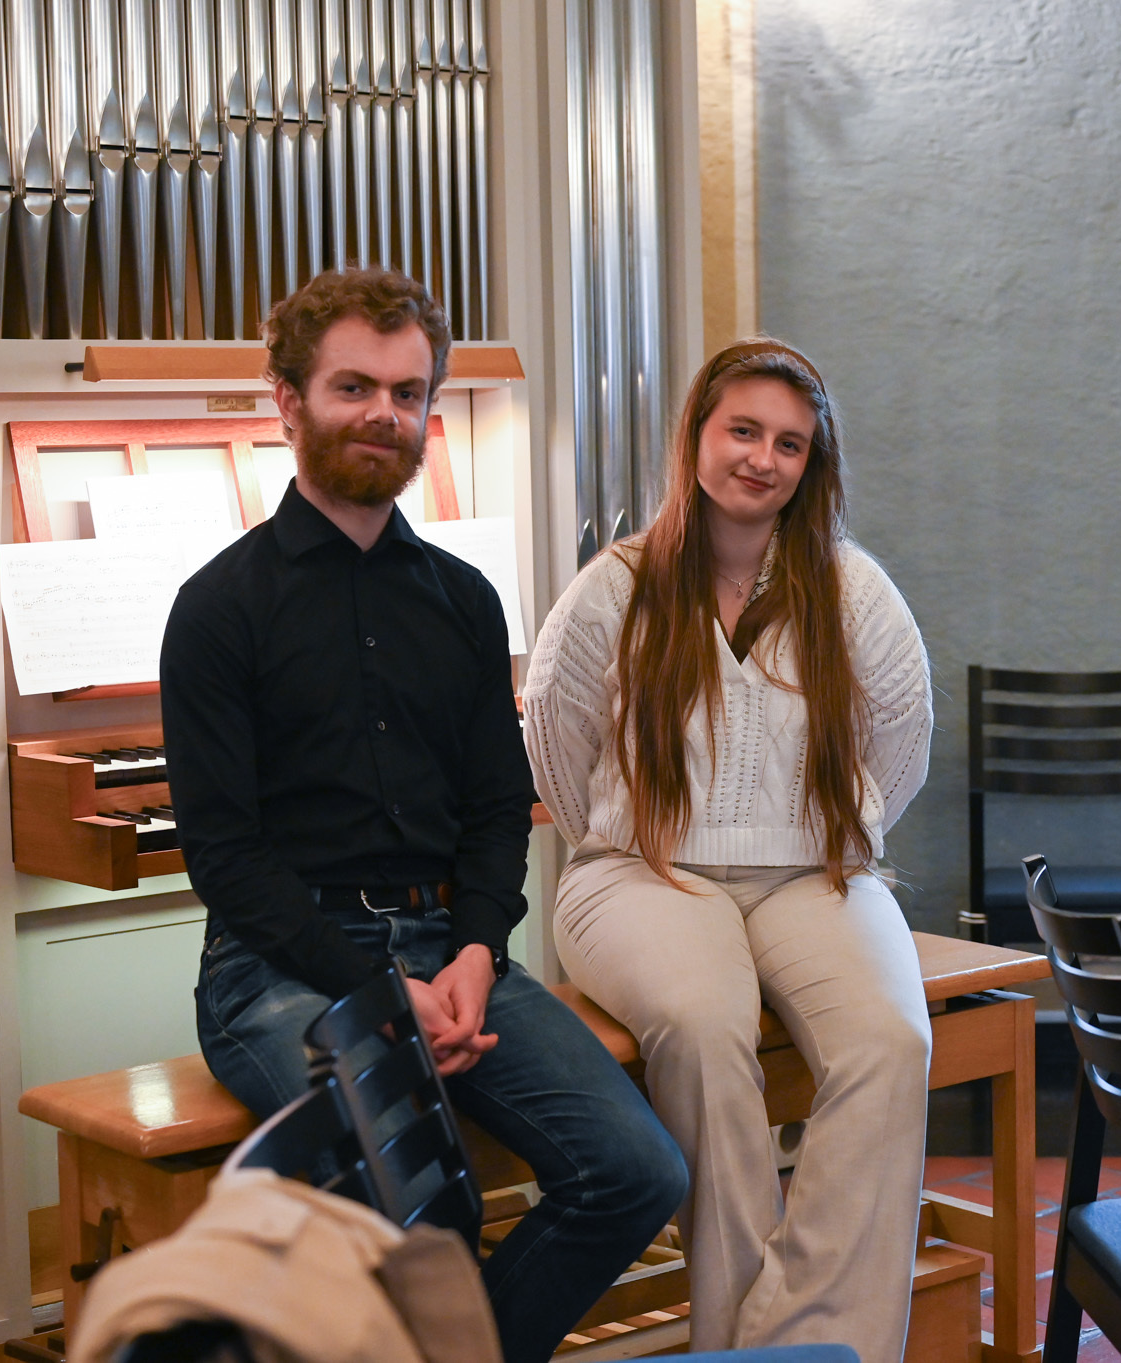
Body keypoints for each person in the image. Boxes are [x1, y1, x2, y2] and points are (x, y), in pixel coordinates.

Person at [160, 268, 688, 1363]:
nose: (383, 414)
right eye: (354, 386)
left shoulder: (461, 598)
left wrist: (477, 950)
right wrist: (375, 986)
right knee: (424, 1218)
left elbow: (500, 809)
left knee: (638, 1173)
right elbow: (223, 856)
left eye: (408, 393)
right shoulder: (217, 608)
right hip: (277, 967)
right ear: (287, 400)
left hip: (448, 952)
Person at [522, 338, 935, 1361]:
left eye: (787, 443)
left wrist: (809, 833)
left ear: (811, 463)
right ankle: (743, 1346)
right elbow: (557, 756)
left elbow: (901, 749)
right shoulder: (611, 591)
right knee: (707, 1029)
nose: (761, 458)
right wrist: (645, 839)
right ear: (697, 437)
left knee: (891, 1043)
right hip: (640, 870)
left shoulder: (855, 593)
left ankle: (791, 1341)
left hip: (811, 871)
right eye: (741, 430)